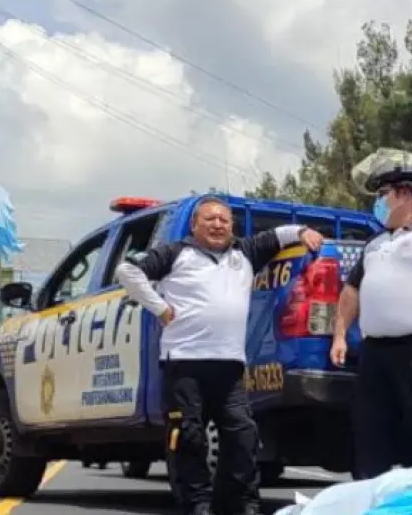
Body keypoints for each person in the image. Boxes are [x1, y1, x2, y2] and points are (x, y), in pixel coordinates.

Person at [115, 196, 326, 515]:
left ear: (232, 226)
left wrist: (303, 232)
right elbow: (127, 271)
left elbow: (278, 235)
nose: (217, 225)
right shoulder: (175, 254)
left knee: (242, 435)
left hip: (229, 367)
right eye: (209, 219)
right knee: (189, 437)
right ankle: (196, 503)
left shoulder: (245, 253)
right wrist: (159, 307)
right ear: (194, 225)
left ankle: (240, 502)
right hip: (183, 364)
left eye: (224, 220)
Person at [330, 149, 412, 479]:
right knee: (370, 435)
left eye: (382, 195)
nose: (378, 202)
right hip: (375, 355)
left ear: (405, 193)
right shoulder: (375, 244)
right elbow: (351, 291)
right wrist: (339, 336)